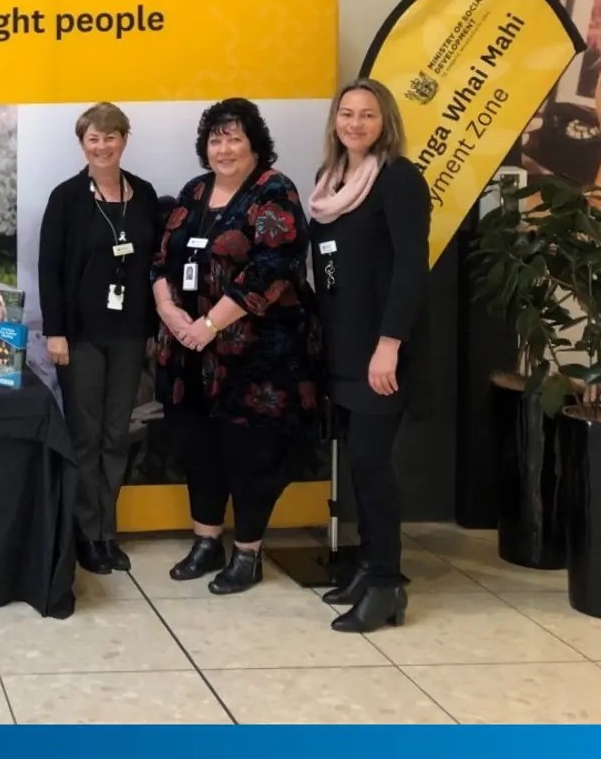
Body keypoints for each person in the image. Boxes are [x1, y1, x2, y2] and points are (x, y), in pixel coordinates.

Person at [151, 97, 323, 595]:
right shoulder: (195, 190)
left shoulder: (274, 190)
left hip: (257, 356)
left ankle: (248, 552)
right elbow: (162, 258)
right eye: (215, 138)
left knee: (249, 454)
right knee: (197, 448)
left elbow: (272, 268)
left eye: (234, 138)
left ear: (254, 144)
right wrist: (168, 310)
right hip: (187, 351)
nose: (223, 148)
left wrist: (209, 323)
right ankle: (207, 541)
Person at [307, 78, 429, 632]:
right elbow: (328, 266)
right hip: (343, 345)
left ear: (386, 123)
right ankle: (370, 564)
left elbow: (409, 268)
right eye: (347, 113)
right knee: (357, 461)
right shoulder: (329, 181)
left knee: (372, 464)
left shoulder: (399, 179)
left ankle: (386, 585)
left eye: (368, 116)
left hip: (381, 350)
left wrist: (389, 344)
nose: (355, 123)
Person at [38, 102, 161, 574]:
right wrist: (56, 332)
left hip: (130, 334)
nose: (103, 145)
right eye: (94, 138)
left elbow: (153, 265)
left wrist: (151, 328)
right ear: (82, 144)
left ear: (124, 139)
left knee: (118, 433)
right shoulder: (66, 198)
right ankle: (86, 533)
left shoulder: (144, 195)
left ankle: (108, 530)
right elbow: (50, 269)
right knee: (86, 436)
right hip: (81, 335)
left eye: (111, 136)